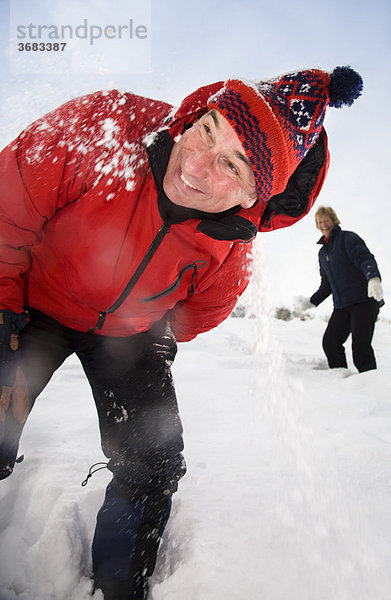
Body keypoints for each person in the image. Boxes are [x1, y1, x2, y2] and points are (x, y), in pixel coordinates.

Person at [0, 66, 363, 599]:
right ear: (196, 111)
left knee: (153, 463)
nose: (196, 163)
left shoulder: (232, 249)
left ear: (251, 196)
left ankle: (119, 585)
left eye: (232, 165)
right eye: (208, 129)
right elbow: (7, 210)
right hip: (29, 300)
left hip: (126, 336)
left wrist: (149, 332)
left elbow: (198, 316)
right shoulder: (106, 126)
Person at [295, 206, 384, 372]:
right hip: (343, 305)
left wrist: (373, 278)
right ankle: (341, 379)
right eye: (320, 222)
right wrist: (311, 302)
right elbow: (326, 284)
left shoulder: (347, 238)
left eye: (326, 220)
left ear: (334, 221)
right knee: (330, 342)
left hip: (364, 300)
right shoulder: (323, 253)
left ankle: (370, 385)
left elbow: (365, 258)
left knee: (361, 347)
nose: (323, 224)